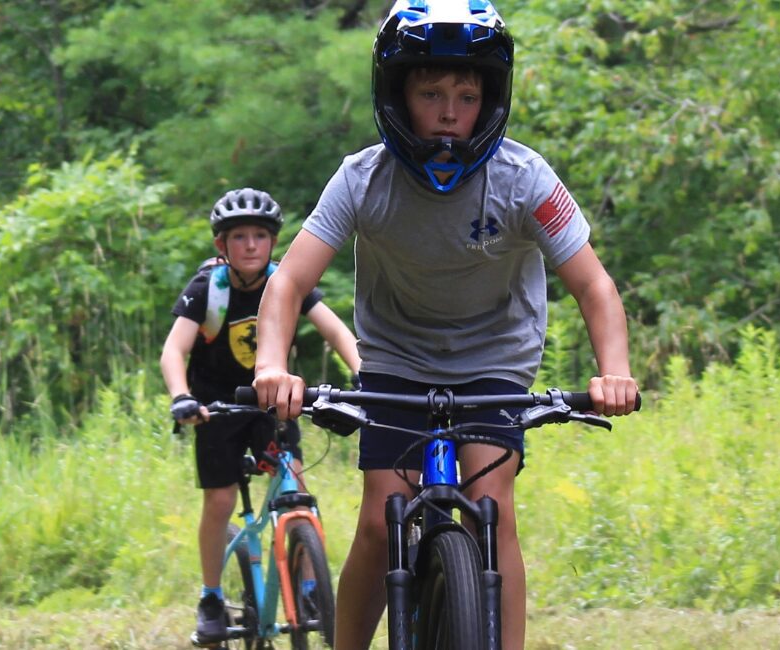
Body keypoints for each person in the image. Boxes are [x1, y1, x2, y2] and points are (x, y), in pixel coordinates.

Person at [249, 2, 641, 648]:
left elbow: (594, 285)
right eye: (431, 94)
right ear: (397, 95)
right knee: (378, 521)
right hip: (396, 361)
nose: (451, 112)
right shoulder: (361, 179)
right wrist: (271, 364)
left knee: (495, 509)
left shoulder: (525, 180)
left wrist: (615, 371)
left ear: (491, 100)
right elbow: (287, 283)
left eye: (467, 95)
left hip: (496, 360)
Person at [160, 187, 362, 642]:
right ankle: (211, 597)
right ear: (221, 245)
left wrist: (362, 374)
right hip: (216, 409)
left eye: (260, 235)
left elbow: (337, 332)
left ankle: (309, 588)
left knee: (297, 491)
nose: (250, 245)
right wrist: (181, 397)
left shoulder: (286, 282)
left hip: (272, 405)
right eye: (239, 237)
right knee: (220, 501)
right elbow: (174, 350)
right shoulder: (207, 290)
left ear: (273, 241)